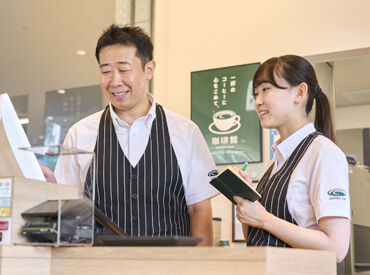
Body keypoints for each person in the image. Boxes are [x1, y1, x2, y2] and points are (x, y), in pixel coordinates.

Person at [45, 24, 219, 245]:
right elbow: (68, 208)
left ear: (149, 69)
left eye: (124, 69)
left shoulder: (185, 132)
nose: (115, 81)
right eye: (106, 71)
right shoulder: (80, 134)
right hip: (100, 267)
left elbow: (199, 210)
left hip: (171, 267)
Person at [234, 55, 350, 262]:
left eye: (266, 90)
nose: (258, 101)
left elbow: (337, 248)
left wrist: (264, 219)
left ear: (300, 92)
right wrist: (247, 204)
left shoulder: (324, 154)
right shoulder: (273, 163)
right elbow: (259, 240)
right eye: (255, 94)